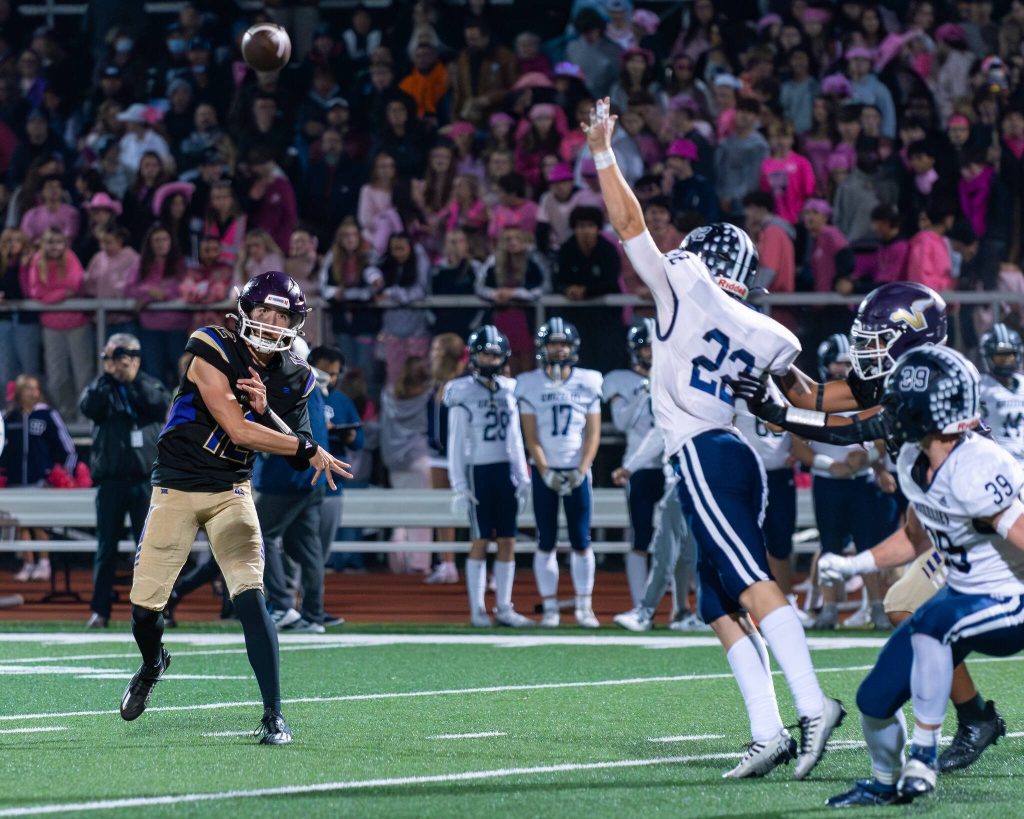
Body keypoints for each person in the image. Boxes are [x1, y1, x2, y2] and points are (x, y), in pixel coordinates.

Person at [583, 97, 843, 779]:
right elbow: (811, 399)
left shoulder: (684, 285)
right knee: (715, 601)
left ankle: (814, 704)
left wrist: (603, 151)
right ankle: (767, 730)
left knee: (750, 582)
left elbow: (630, 222)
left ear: (698, 256)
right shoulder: (772, 330)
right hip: (741, 456)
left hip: (703, 451)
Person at [732, 281, 1004, 772]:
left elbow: (859, 427)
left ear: (912, 338)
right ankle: (974, 716)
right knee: (904, 606)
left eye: (877, 338)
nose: (864, 349)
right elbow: (813, 394)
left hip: (979, 524)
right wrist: (767, 347)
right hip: (939, 516)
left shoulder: (932, 384)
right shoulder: (890, 378)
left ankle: (965, 720)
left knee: (921, 609)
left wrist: (781, 416)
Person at [120, 271, 350, 745]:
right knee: (145, 609)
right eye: (262, 310)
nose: (268, 321)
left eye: (279, 314)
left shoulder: (296, 377)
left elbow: (298, 439)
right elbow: (240, 430)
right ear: (245, 310)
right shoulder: (211, 345)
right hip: (177, 486)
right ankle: (152, 662)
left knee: (250, 596)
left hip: (232, 489)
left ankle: (274, 714)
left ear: (295, 322)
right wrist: (296, 444)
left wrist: (269, 411)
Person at [821, 346, 1024, 806]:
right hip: (962, 596)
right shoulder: (914, 459)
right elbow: (915, 537)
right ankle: (883, 780)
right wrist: (856, 564)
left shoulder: (977, 467)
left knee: (933, 624)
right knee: (873, 699)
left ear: (930, 406)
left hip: (1010, 600)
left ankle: (923, 757)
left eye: (899, 401)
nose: (891, 411)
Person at [794, 334, 896, 631]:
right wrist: (832, 465)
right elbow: (797, 444)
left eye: (846, 364)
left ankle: (876, 606)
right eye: (838, 364)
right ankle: (829, 608)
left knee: (868, 545)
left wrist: (866, 461)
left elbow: (880, 437)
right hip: (828, 481)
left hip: (861, 481)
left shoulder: (866, 392)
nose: (842, 369)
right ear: (826, 365)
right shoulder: (813, 397)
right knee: (830, 546)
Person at [515, 318, 603, 628]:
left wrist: (581, 469)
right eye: (554, 343)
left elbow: (593, 433)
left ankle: (584, 606)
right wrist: (545, 469)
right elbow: (531, 435)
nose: (559, 349)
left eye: (563, 343)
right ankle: (551, 608)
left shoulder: (589, 381)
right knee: (546, 539)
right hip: (546, 471)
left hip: (578, 470)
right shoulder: (529, 383)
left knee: (581, 539)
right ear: (543, 348)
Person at [79, 333, 170, 628]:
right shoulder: (103, 388)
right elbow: (88, 407)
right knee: (106, 548)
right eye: (112, 356)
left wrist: (133, 378)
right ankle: (99, 610)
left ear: (136, 357)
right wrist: (107, 377)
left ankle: (154, 609)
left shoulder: (148, 384)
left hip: (144, 479)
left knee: (148, 548)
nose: (118, 361)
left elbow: (158, 404)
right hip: (111, 480)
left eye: (123, 355)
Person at [445, 326, 533, 626]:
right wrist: (458, 484)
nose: (489, 359)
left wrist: (522, 475)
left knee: (508, 540)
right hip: (477, 471)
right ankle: (477, 609)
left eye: (495, 354)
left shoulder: (511, 388)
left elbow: (516, 437)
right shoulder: (461, 390)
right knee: (481, 538)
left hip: (505, 470)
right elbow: (455, 441)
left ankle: (505, 607)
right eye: (484, 353)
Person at [602, 318, 660, 608]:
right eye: (647, 347)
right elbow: (622, 422)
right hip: (639, 468)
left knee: (680, 538)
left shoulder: (674, 374)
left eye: (655, 345)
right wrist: (643, 393)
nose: (652, 352)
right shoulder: (621, 380)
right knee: (641, 536)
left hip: (674, 467)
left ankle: (680, 604)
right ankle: (640, 604)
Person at [0, 374, 76, 583]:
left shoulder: (47, 415)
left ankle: (44, 563)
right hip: (16, 480)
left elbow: (67, 449)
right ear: (19, 392)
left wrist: (62, 475)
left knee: (38, 523)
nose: (33, 393)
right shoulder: (10, 418)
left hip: (40, 480)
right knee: (21, 524)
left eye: (35, 388)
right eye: (28, 389)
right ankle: (28, 563)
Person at [309, 344, 362, 625]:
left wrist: (349, 436)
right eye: (326, 372)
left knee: (320, 552)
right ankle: (289, 606)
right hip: (304, 482)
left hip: (332, 484)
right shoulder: (302, 394)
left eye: (335, 373)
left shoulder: (340, 400)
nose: (330, 378)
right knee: (300, 549)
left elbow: (360, 440)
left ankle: (312, 606)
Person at [979, 324, 1024, 461]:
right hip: (996, 460)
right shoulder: (980, 387)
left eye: (1009, 356)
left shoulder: (1022, 383)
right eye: (1000, 357)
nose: (1006, 362)